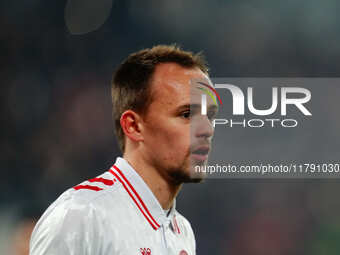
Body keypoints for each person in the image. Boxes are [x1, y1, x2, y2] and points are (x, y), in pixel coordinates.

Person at [29, 45, 217, 255]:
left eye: (210, 116)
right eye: (186, 114)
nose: (207, 129)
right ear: (134, 126)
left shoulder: (182, 231)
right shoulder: (81, 216)